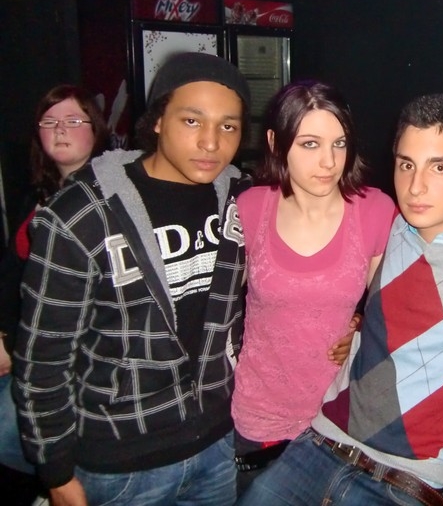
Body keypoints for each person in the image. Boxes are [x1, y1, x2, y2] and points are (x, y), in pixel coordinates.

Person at [237, 93, 443, 506]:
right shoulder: (388, 225)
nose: (416, 186)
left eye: (439, 167)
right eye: (406, 165)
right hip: (321, 442)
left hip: (407, 477)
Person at [13, 52, 252, 506]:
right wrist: (55, 470)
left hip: (218, 444)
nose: (210, 142)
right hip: (121, 461)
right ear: (158, 120)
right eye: (191, 120)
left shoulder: (243, 201)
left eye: (228, 126)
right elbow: (44, 354)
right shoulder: (82, 215)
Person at [231, 80, 395, 490]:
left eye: (339, 144)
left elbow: (392, 312)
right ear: (275, 142)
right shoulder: (250, 208)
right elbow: (214, 307)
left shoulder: (375, 210)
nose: (329, 161)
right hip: (258, 416)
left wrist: (362, 326)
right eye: (310, 144)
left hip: (337, 421)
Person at [0, 85, 109, 504]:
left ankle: (68, 481)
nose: (59, 130)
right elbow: (12, 277)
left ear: (96, 130)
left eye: (72, 120)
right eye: (49, 122)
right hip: (25, 344)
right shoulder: (38, 195)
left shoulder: (110, 197)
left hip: (73, 356)